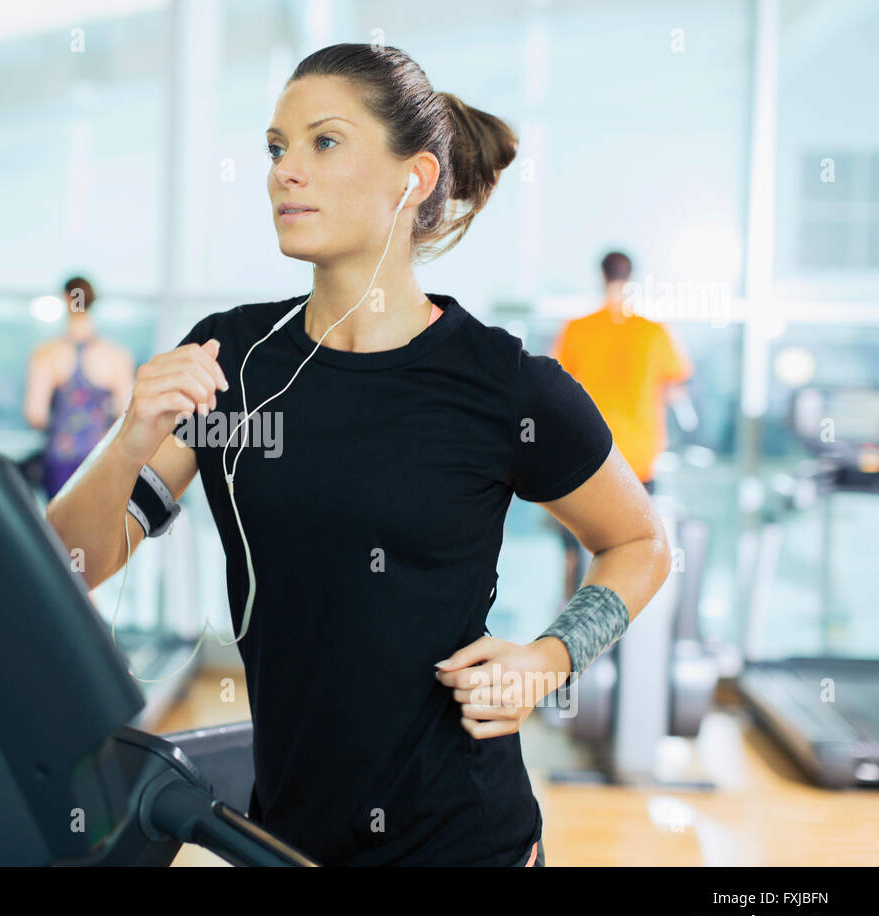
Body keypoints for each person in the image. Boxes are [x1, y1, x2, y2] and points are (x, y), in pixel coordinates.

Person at [45, 44, 672, 867]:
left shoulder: (504, 385)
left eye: (323, 143)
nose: (284, 173)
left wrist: (549, 659)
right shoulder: (229, 360)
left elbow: (641, 544)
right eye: (276, 148)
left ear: (411, 179)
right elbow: (72, 561)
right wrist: (131, 435)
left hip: (465, 836)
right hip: (286, 837)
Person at [549, 252, 693, 600]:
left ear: (602, 276)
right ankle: (627, 625)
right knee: (634, 546)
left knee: (580, 547)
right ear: (631, 278)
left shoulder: (578, 329)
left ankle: (574, 629)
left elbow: (556, 388)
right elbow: (676, 388)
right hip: (639, 458)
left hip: (589, 453)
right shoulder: (653, 331)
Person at [23, 277, 135, 500]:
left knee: (58, 532)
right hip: (101, 459)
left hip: (59, 461)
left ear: (66, 299)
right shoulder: (117, 356)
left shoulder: (47, 354)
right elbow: (127, 415)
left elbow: (35, 415)